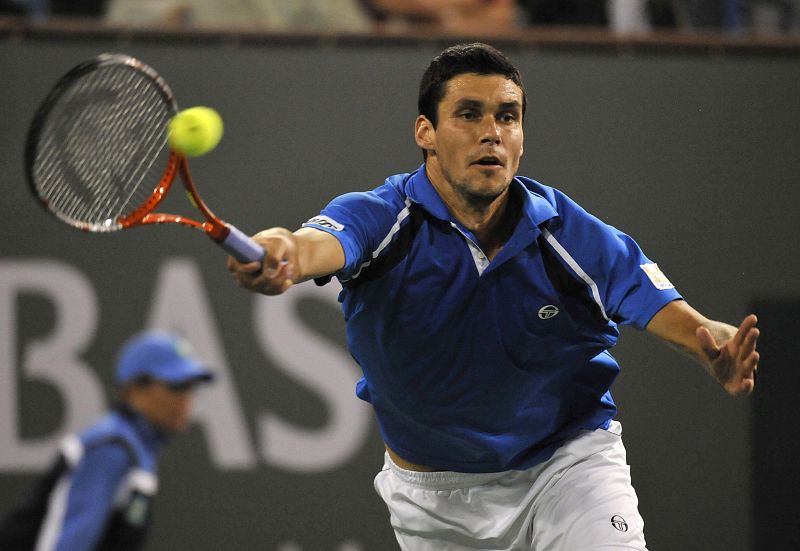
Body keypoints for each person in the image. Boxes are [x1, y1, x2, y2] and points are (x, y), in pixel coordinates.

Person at [227, 42, 760, 550]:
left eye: (507, 117)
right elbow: (306, 245)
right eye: (469, 114)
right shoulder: (380, 217)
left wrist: (710, 340)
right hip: (433, 499)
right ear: (426, 132)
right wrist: (280, 253)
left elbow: (662, 306)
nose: (492, 134)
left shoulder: (568, 233)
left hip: (566, 467)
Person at [0, 331, 214, 551]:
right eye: (176, 386)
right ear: (135, 389)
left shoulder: (136, 449)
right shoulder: (111, 449)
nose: (185, 400)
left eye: (190, 388)